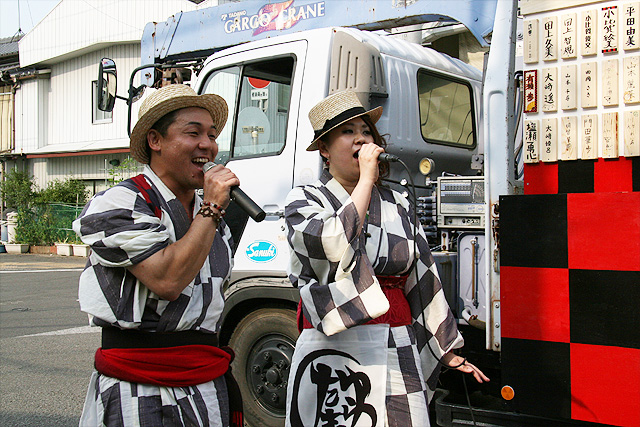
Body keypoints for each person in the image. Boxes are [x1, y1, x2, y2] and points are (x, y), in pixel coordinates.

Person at [284, 90, 488, 426]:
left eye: (366, 131)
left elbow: (423, 276)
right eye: (348, 132)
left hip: (396, 337)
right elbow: (332, 244)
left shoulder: (398, 202)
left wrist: (446, 347)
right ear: (324, 149)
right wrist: (366, 180)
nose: (361, 139)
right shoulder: (304, 199)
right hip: (335, 342)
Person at [73, 84, 243, 426]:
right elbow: (167, 280)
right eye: (193, 133)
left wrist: (211, 210)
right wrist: (211, 208)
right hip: (139, 383)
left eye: (212, 135)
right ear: (155, 140)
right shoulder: (117, 203)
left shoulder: (213, 215)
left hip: (205, 381)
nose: (207, 145)